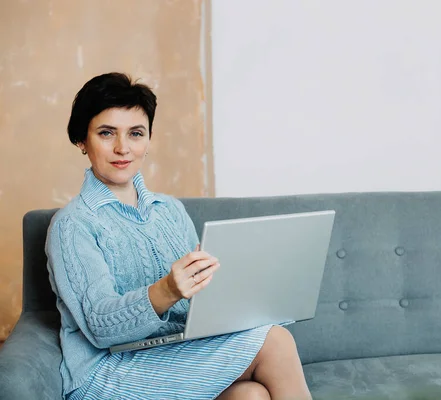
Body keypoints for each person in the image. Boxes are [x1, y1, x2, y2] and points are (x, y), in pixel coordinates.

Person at [45, 72, 312, 400]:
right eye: (106, 133)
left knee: (251, 396)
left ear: (148, 141)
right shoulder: (72, 225)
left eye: (136, 133)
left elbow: (197, 308)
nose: (122, 147)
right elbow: (100, 328)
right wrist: (167, 290)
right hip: (106, 371)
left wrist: (236, 295)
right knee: (274, 341)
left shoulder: (169, 210)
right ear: (82, 141)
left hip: (174, 352)